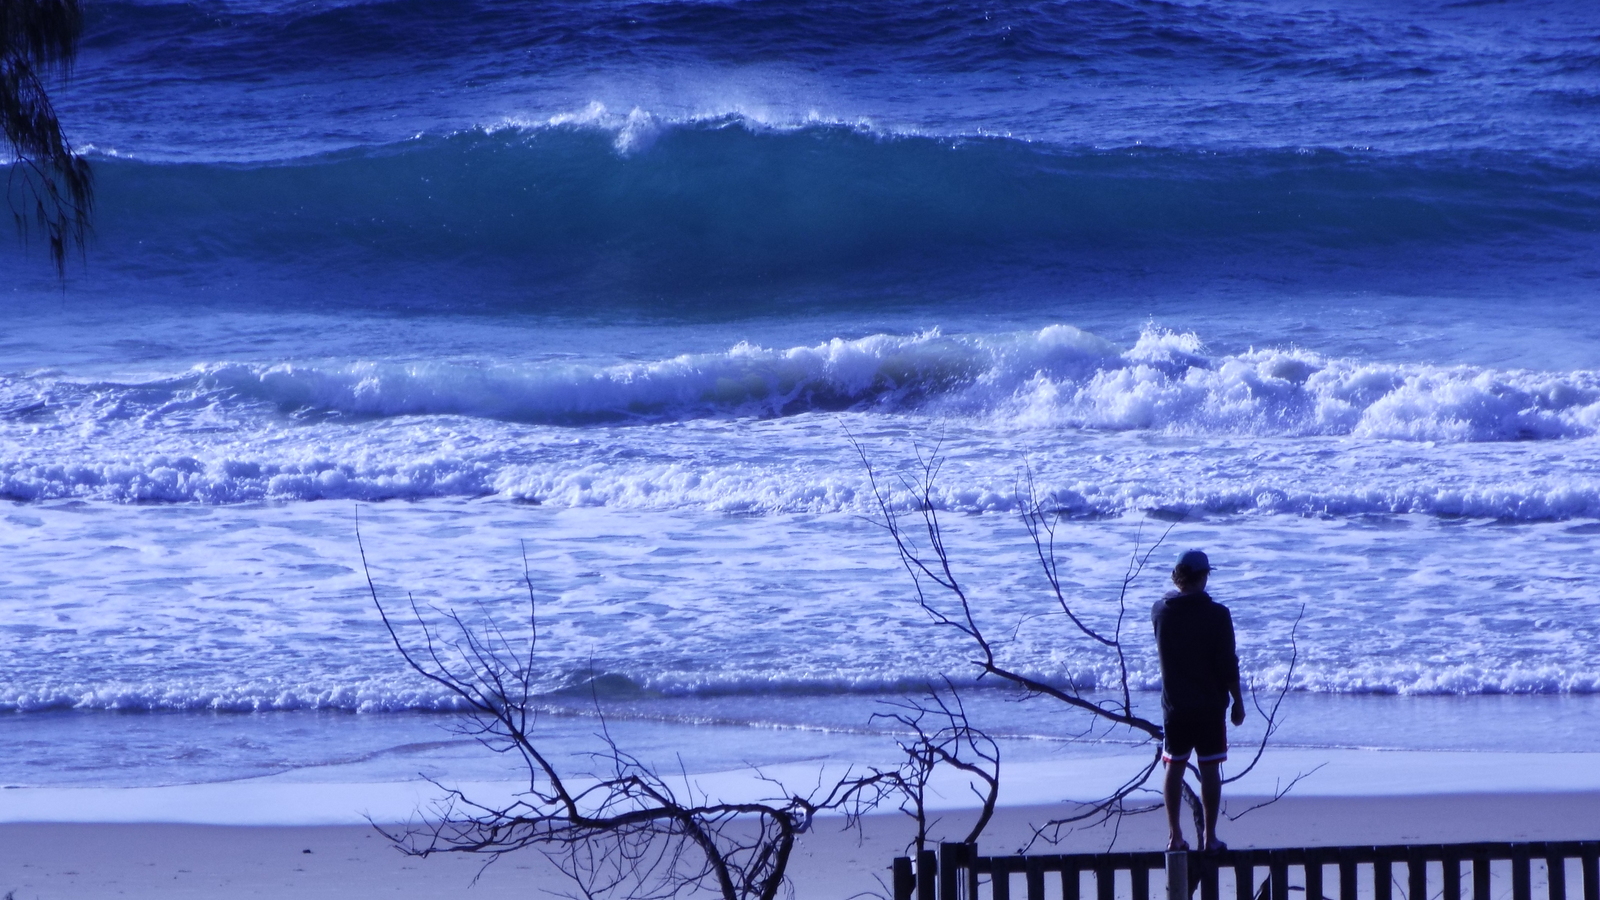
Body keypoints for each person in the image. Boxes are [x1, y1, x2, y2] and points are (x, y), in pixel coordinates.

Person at [1152, 548, 1244, 853]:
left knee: (1174, 768)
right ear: (1202, 577)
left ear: (1178, 576)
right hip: (1209, 706)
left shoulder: (1160, 611)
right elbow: (1227, 664)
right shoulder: (1218, 615)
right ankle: (1209, 837)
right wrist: (1237, 701)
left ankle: (1174, 835)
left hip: (1175, 706)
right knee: (1209, 771)